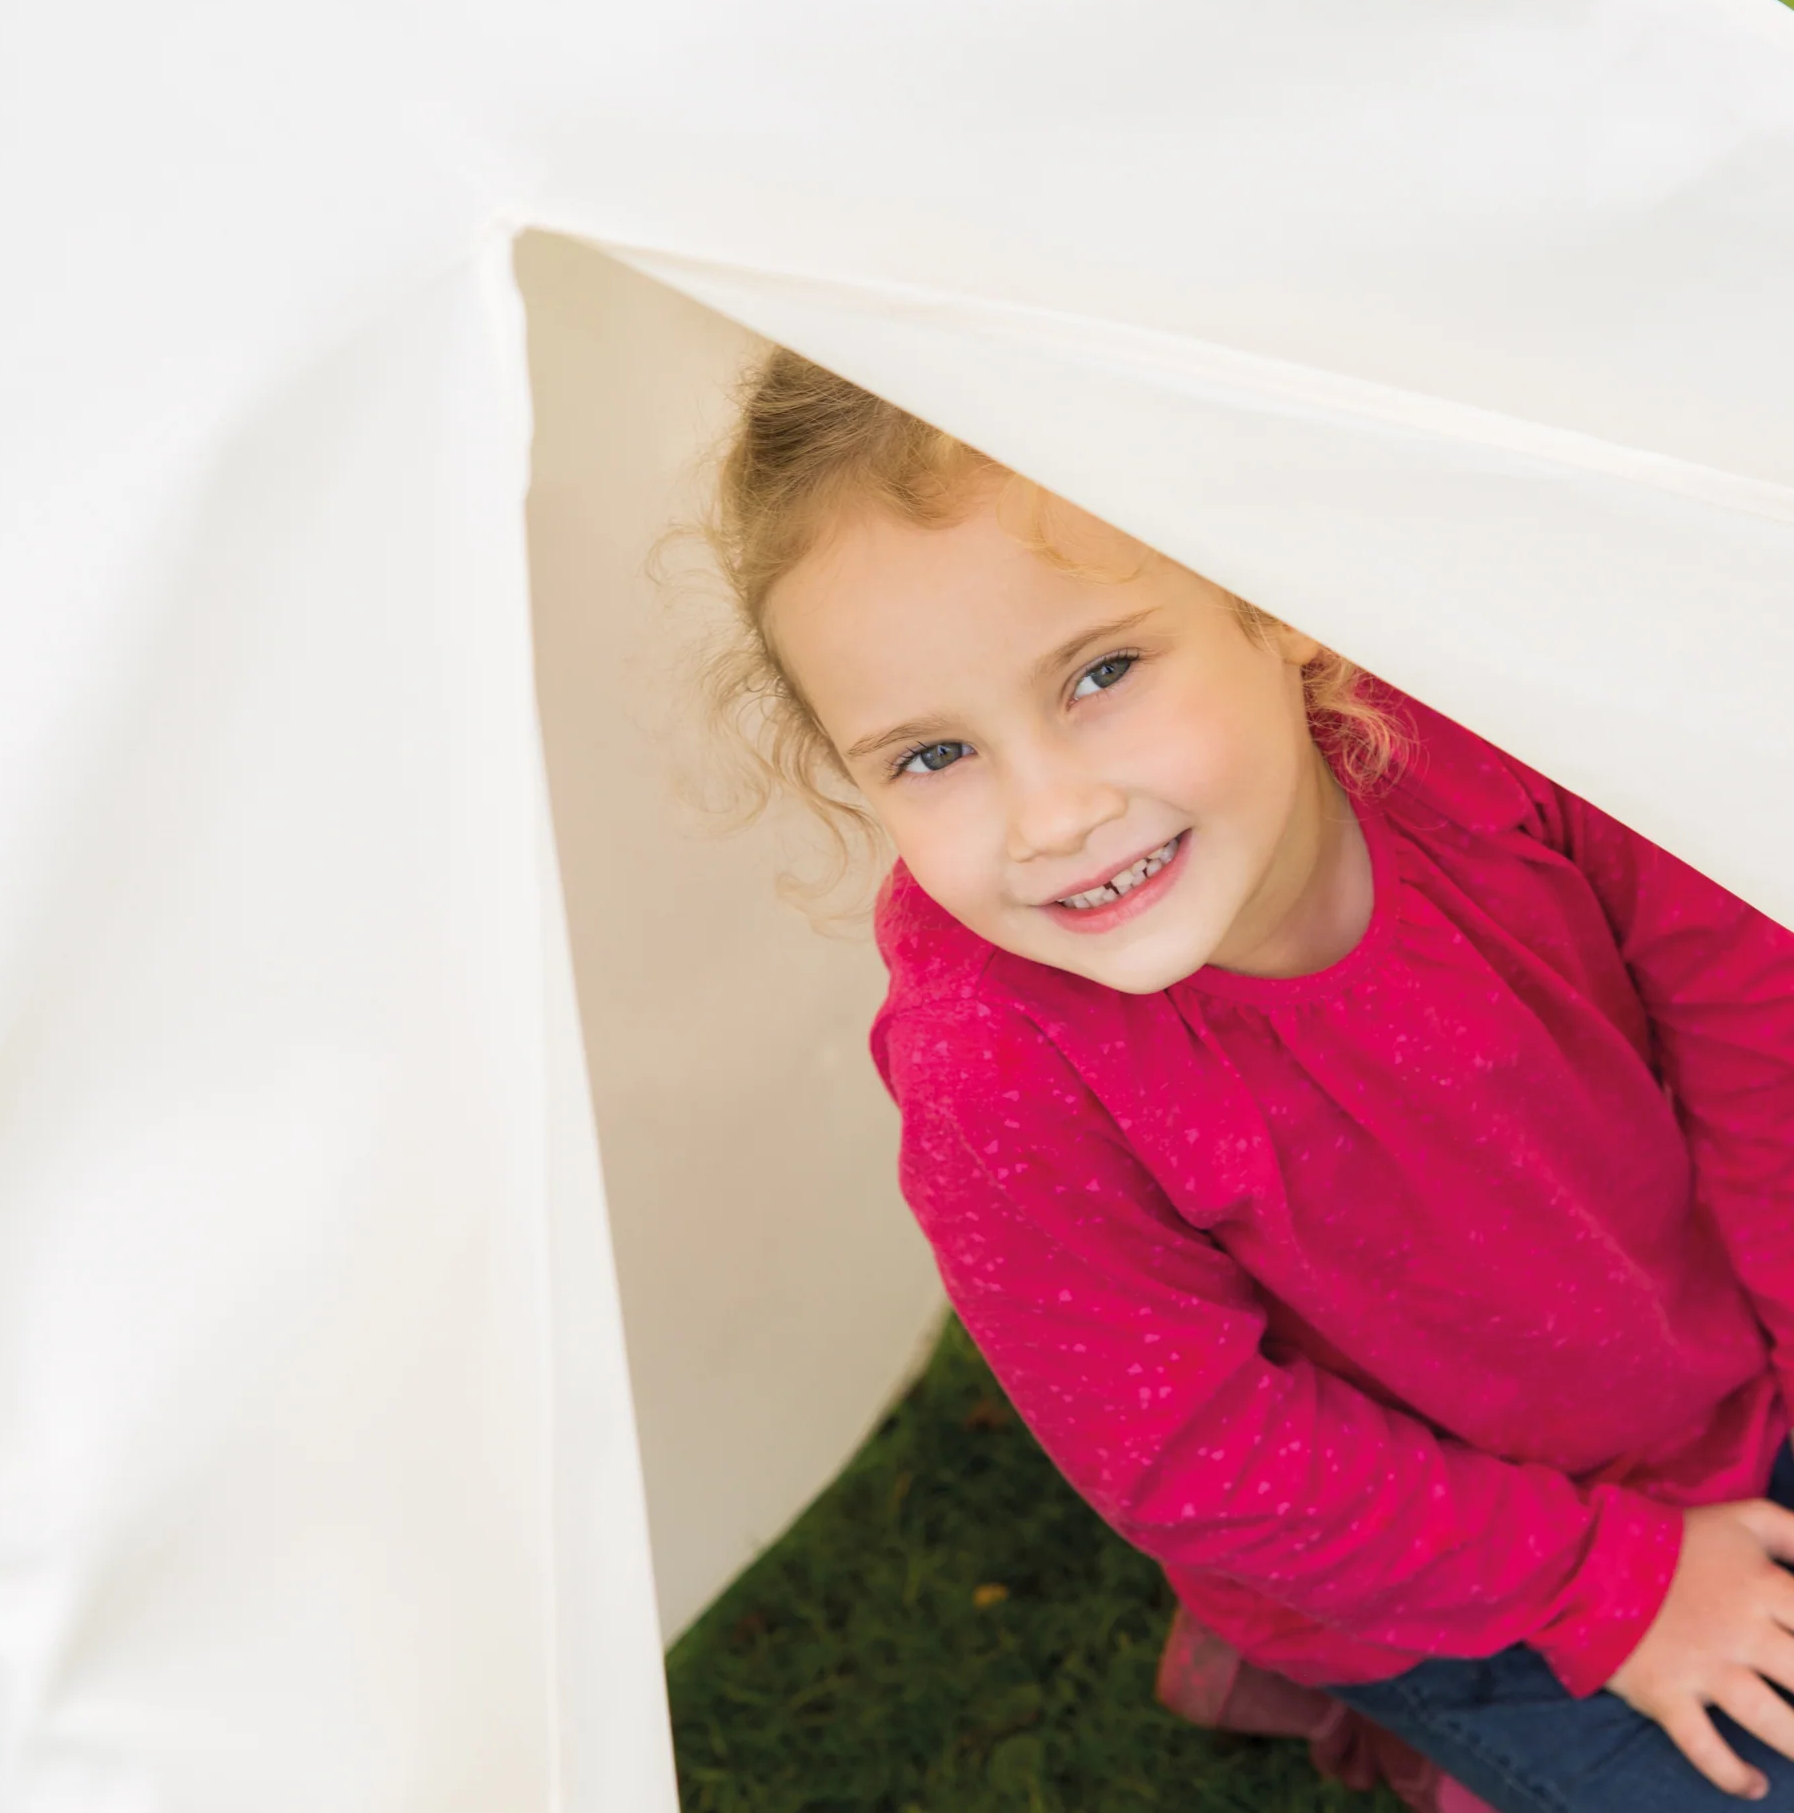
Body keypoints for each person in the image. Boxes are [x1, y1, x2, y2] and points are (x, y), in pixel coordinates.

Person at [696, 346, 1794, 1813]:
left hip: (1733, 1361)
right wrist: (1618, 1585)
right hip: (1453, 1551)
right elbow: (1196, 1450)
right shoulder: (993, 1060)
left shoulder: (1491, 734)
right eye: (934, 754)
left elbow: (1755, 1032)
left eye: (1101, 674)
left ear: (1272, 606)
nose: (1053, 813)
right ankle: (1382, 1698)